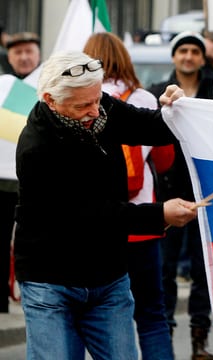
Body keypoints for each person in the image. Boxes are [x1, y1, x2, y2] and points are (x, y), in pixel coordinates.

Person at [14, 50, 194, 359]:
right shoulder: (36, 148)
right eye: (83, 105)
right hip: (50, 283)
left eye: (98, 99)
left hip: (108, 277)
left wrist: (176, 107)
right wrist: (159, 213)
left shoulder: (101, 108)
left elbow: (151, 126)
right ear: (50, 100)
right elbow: (88, 214)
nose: (96, 111)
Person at [83, 32, 176, 359]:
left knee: (102, 314)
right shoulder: (145, 100)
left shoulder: (82, 100)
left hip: (98, 229)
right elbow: (164, 162)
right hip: (143, 225)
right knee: (152, 315)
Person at [148, 31, 213, 360]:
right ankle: (165, 339)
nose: (188, 56)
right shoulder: (156, 94)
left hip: (207, 194)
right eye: (182, 51)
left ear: (202, 58)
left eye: (194, 51)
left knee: (205, 270)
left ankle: (199, 341)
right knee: (165, 269)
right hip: (166, 195)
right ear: (174, 57)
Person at [1, 30, 41, 314]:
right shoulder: (3, 87)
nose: (24, 57)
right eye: (18, 52)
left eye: (29, 51)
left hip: (38, 184)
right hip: (3, 184)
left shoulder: (47, 87)